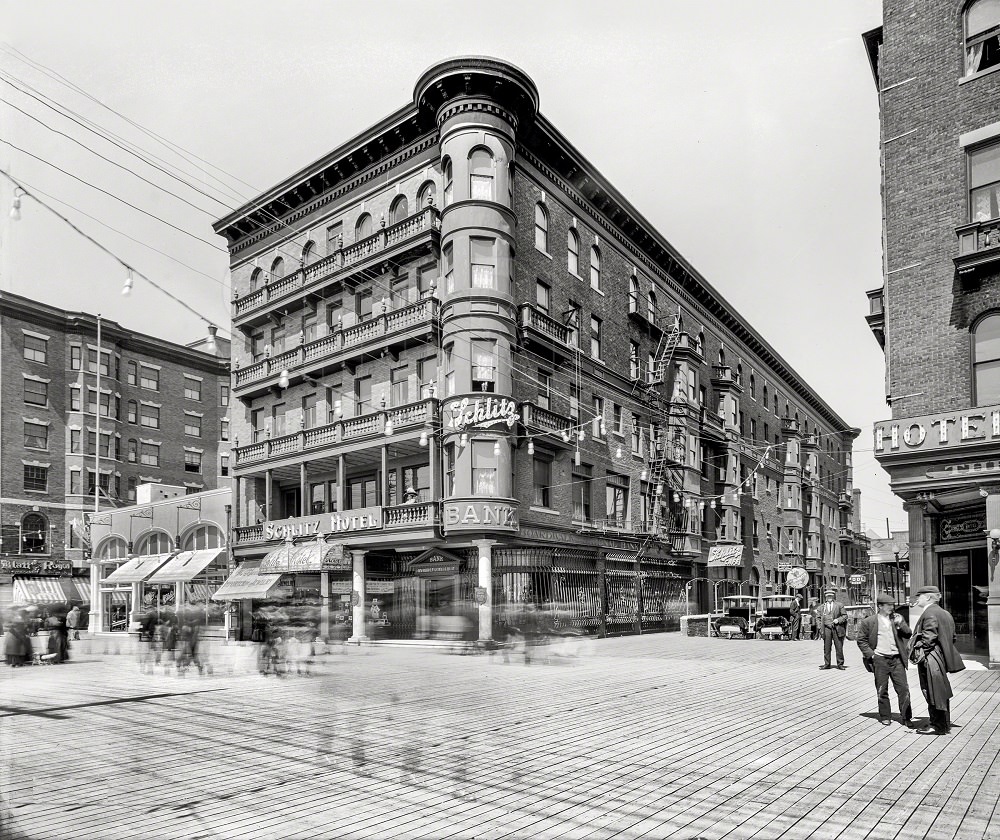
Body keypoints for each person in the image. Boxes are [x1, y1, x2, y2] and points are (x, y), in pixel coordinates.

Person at [909, 585, 965, 735]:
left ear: (927, 597)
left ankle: (937, 725)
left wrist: (917, 651)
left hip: (931, 659)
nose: (917, 599)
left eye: (919, 596)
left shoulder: (930, 613)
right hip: (939, 658)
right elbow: (952, 638)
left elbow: (928, 639)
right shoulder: (945, 613)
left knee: (932, 691)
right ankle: (943, 724)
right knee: (940, 691)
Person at [856, 593, 913, 727]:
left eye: (892, 605)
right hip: (880, 659)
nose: (891, 608)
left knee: (903, 689)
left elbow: (908, 634)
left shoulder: (897, 618)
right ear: (880, 606)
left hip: (897, 659)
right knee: (882, 689)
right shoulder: (869, 621)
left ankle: (906, 717)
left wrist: (901, 625)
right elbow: (861, 640)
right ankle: (885, 716)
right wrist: (872, 655)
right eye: (888, 605)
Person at [818, 588, 848, 670]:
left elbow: (845, 616)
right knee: (827, 647)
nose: (829, 597)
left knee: (839, 647)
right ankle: (827, 664)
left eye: (831, 596)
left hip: (837, 628)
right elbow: (818, 618)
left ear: (833, 596)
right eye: (828, 596)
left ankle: (840, 664)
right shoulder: (821, 607)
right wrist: (820, 627)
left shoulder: (839, 605)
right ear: (825, 597)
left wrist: (838, 620)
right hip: (826, 629)